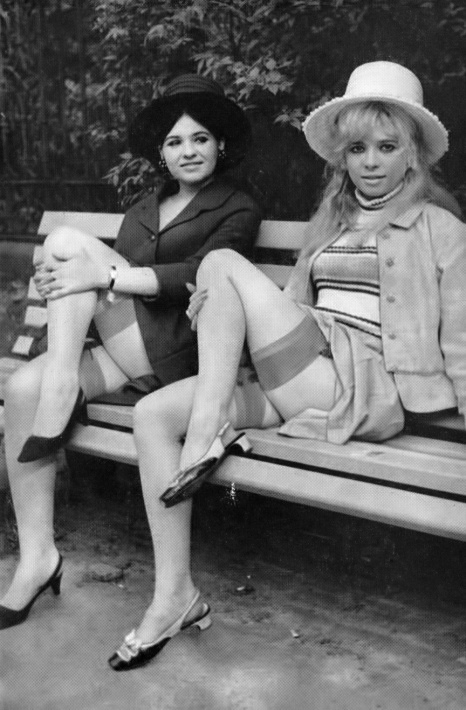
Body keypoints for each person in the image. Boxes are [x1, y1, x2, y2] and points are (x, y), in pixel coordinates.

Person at [106, 61, 466, 671]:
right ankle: (174, 596)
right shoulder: (330, 225)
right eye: (357, 149)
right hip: (300, 375)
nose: (370, 162)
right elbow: (293, 310)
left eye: (387, 147)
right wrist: (221, 310)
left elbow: (461, 339)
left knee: (220, 263)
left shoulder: (441, 229)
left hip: (361, 386)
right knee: (152, 415)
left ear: (413, 157)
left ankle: (208, 431)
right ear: (342, 157)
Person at [0, 74, 261, 629]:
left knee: (65, 242)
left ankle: (62, 387)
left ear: (220, 144)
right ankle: (37, 557)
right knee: (21, 389)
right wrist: (68, 283)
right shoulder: (143, 208)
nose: (187, 151)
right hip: (125, 350)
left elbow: (198, 276)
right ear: (161, 153)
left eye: (200, 138)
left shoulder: (238, 207)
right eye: (174, 141)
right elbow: (100, 290)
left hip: (179, 356)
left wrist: (99, 274)